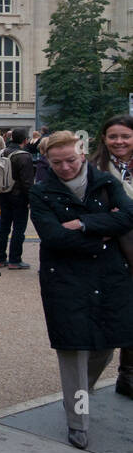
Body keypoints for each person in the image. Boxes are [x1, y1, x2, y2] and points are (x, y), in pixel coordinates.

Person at [30, 130, 133, 448]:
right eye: (56, 162)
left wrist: (85, 224)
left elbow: (129, 216)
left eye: (70, 160)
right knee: (74, 349)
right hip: (65, 278)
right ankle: (79, 422)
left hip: (108, 276)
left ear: (82, 155)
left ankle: (77, 396)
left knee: (105, 345)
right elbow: (52, 236)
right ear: (48, 160)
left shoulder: (106, 181)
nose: (64, 167)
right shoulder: (41, 191)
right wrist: (103, 227)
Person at [90, 113, 133, 398]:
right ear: (104, 139)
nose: (120, 142)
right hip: (110, 250)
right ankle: (85, 382)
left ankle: (128, 374)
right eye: (114, 136)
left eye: (125, 136)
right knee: (107, 317)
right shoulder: (94, 168)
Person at [0, 126, 34, 269]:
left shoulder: (3, 152)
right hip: (19, 196)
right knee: (18, 228)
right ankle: (14, 260)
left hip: (4, 192)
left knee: (3, 226)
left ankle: (0, 259)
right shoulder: (24, 156)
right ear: (25, 140)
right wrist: (31, 199)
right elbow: (27, 181)